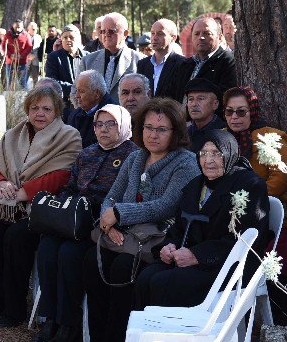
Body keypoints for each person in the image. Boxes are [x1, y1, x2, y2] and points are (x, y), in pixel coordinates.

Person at [82, 97, 199, 342]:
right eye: (148, 128)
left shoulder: (185, 163)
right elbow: (111, 197)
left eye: (161, 129)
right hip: (120, 234)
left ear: (175, 131)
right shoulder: (136, 157)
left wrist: (120, 214)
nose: (152, 135)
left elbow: (166, 206)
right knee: (92, 260)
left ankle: (119, 336)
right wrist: (108, 223)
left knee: (123, 269)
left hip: (158, 238)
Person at [0, 85, 82, 327]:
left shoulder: (69, 136)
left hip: (41, 209)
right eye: (34, 108)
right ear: (28, 110)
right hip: (8, 202)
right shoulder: (14, 134)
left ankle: (14, 310)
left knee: (16, 237)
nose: (40, 113)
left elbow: (62, 176)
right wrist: (1, 183)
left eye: (47, 108)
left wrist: (24, 193)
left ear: (57, 111)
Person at [34, 104, 138, 342]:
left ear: (123, 125)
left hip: (101, 225)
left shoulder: (133, 155)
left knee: (70, 254)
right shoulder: (87, 153)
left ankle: (69, 325)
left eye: (111, 124)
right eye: (99, 124)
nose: (103, 130)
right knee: (48, 248)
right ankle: (51, 318)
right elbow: (70, 187)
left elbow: (127, 196)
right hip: (74, 219)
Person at [135, 129, 269, 310]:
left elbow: (245, 240)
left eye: (216, 154)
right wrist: (169, 246)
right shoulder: (196, 184)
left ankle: (177, 335)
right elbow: (178, 226)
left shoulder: (248, 185)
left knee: (164, 282)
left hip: (226, 264)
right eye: (203, 154)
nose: (208, 160)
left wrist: (197, 256)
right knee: (145, 277)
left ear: (229, 154)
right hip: (189, 258)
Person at [223, 87, 287, 200]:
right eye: (229, 111)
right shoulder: (220, 137)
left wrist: (247, 199)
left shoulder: (270, 137)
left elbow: (280, 178)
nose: (234, 117)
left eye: (241, 111)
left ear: (252, 112)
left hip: (264, 205)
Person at [169, 17, 237, 108]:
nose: (201, 37)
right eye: (196, 34)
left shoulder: (227, 61)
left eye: (207, 33)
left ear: (220, 37)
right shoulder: (185, 65)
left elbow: (225, 99)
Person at [79, 12, 145, 103]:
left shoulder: (140, 60)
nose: (106, 35)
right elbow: (77, 94)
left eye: (111, 31)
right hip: (94, 116)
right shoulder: (87, 61)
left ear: (125, 34)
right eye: (102, 31)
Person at [45, 24, 88, 121]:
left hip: (86, 105)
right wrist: (75, 90)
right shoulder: (54, 57)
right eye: (65, 37)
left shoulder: (88, 57)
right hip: (64, 105)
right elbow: (51, 82)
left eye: (71, 37)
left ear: (78, 39)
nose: (68, 40)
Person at [137, 19, 186, 100]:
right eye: (152, 33)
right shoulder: (142, 64)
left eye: (160, 34)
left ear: (173, 37)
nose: (154, 38)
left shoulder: (182, 64)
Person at [67, 70, 115, 148]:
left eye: (81, 91)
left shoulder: (111, 115)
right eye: (77, 91)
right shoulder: (75, 115)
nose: (77, 96)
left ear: (97, 94)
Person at [185, 78, 225, 150]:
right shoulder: (183, 134)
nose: (194, 104)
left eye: (200, 99)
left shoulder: (224, 133)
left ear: (215, 104)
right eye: (190, 99)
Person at [0, 20, 32, 88]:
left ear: (22, 27)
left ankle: (23, 97)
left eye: (19, 27)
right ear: (13, 26)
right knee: (10, 82)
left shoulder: (26, 35)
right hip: (10, 62)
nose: (17, 29)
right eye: (16, 27)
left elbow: (29, 47)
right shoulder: (8, 34)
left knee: (22, 82)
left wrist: (21, 56)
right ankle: (10, 97)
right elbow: (3, 46)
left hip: (22, 62)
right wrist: (9, 55)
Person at [27, 21, 43, 87]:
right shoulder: (25, 36)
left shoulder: (39, 37)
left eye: (36, 29)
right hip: (26, 62)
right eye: (33, 29)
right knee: (23, 79)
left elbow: (40, 49)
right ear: (29, 29)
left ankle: (35, 94)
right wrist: (27, 55)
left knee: (36, 80)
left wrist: (34, 55)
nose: (35, 30)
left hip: (35, 61)